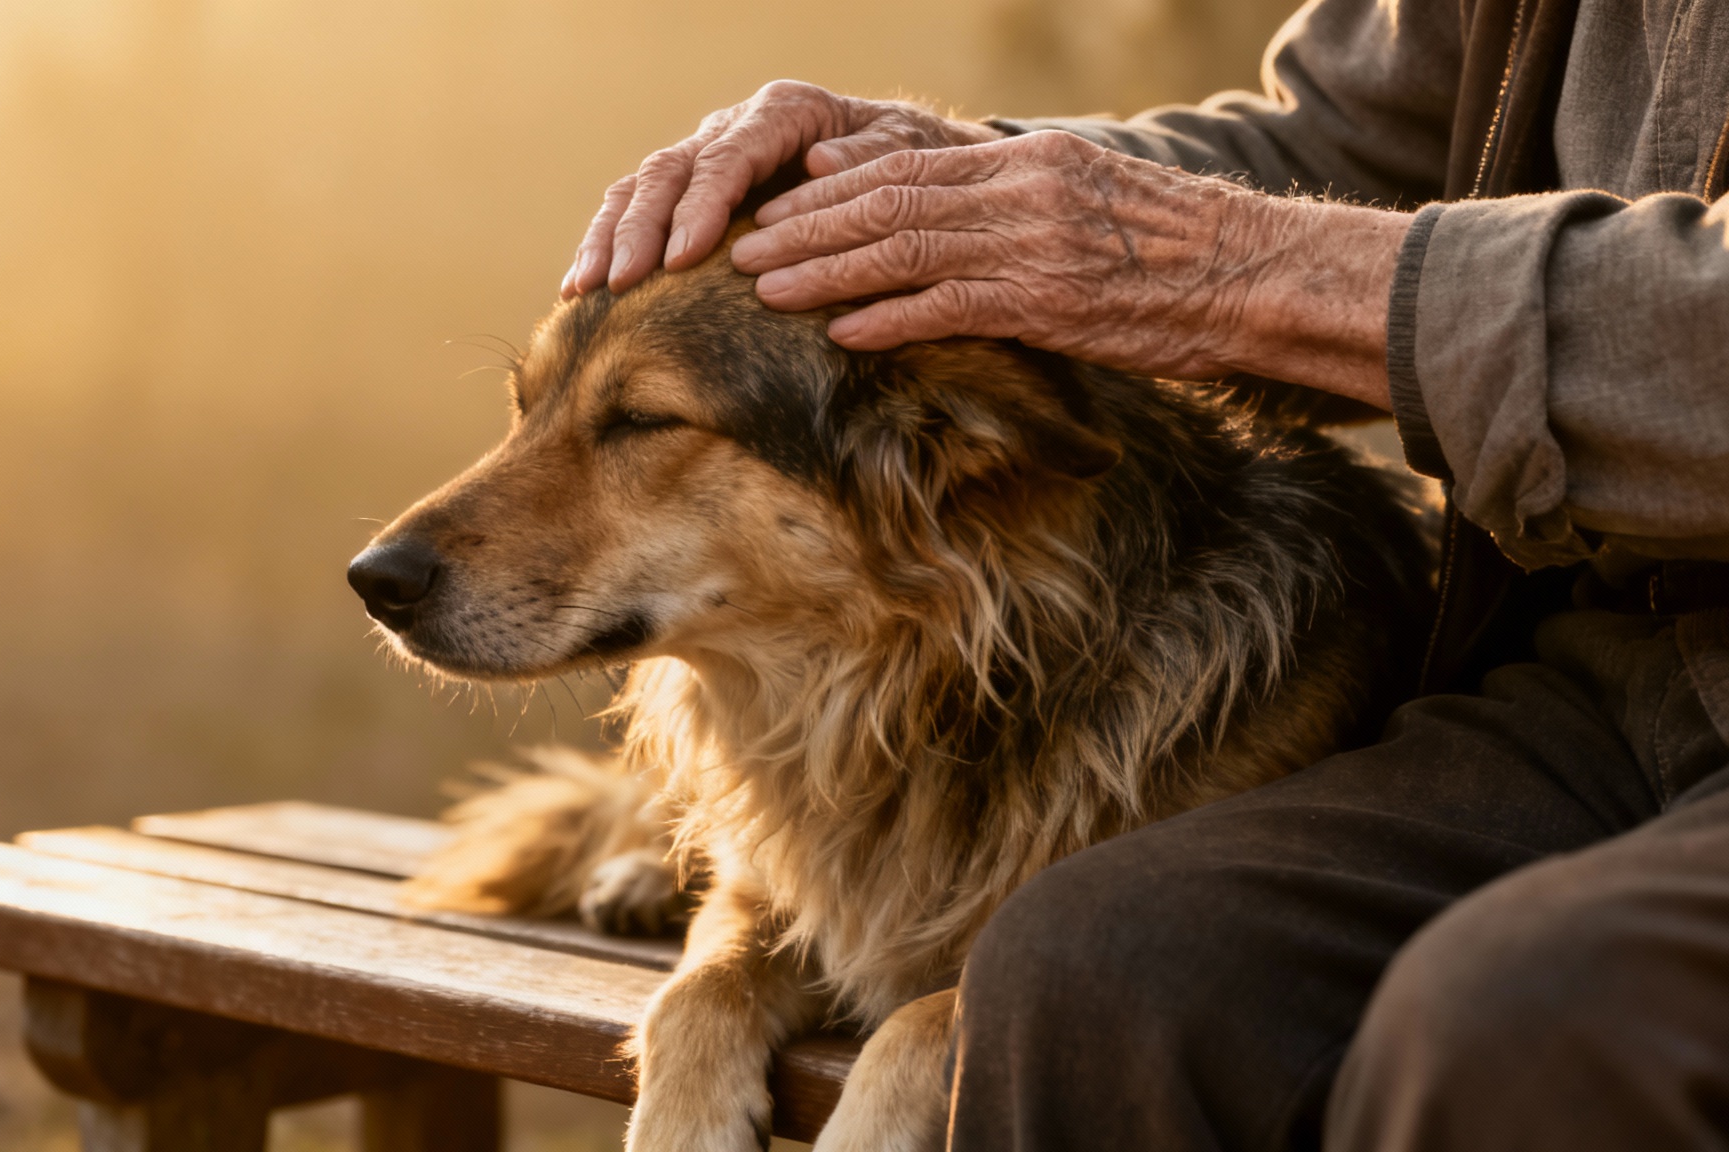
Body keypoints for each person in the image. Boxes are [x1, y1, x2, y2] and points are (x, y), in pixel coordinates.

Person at [560, 0, 1729, 1148]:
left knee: (1523, 1019)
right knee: (1096, 963)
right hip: (1601, 668)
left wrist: (1237, 270)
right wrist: (951, 187)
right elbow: (1343, 153)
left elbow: (1280, 245)